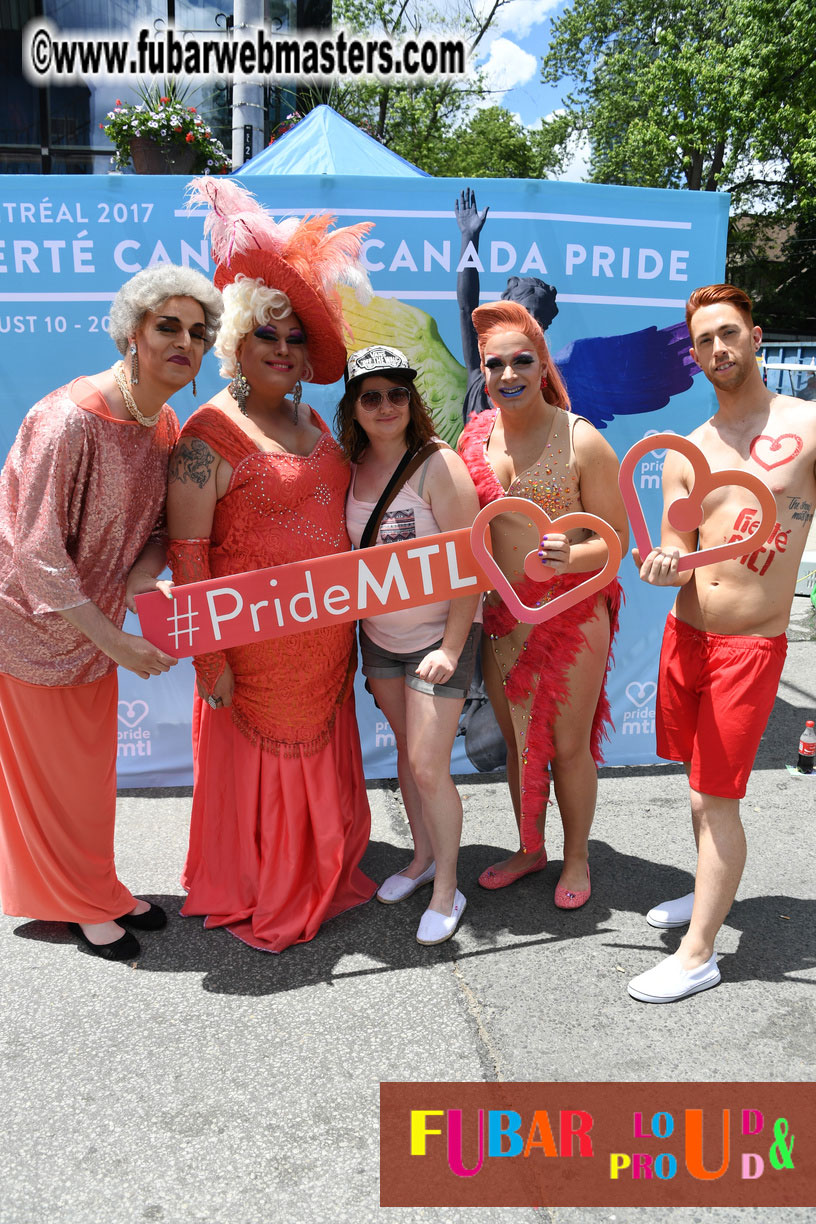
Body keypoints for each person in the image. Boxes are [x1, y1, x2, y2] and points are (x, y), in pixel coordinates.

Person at [166, 178, 376, 953]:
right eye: (268, 338)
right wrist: (209, 657)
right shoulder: (206, 433)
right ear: (237, 344)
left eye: (294, 340)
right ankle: (264, 884)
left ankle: (325, 866)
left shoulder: (313, 417)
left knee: (325, 742)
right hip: (250, 651)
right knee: (265, 758)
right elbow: (188, 557)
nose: (284, 351)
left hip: (324, 638)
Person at [0, 264, 223, 961]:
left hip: (94, 629)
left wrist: (141, 580)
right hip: (35, 629)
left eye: (198, 331)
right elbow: (33, 555)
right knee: (56, 781)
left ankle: (96, 886)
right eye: (168, 326)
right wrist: (120, 642)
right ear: (131, 333)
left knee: (89, 780)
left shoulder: (162, 423)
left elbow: (158, 529)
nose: (185, 341)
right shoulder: (69, 418)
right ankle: (80, 904)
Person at [629, 283, 816, 1004]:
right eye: (704, 340)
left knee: (719, 795)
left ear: (757, 336)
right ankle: (711, 890)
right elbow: (677, 545)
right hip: (689, 636)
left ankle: (699, 952)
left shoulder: (805, 425)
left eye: (728, 333)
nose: (718, 349)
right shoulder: (689, 450)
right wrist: (661, 563)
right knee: (699, 790)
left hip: (750, 648)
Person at [458, 300, 628, 908]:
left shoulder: (583, 439)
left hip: (573, 615)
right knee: (518, 741)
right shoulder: (473, 438)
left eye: (522, 361)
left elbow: (616, 543)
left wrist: (568, 559)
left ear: (542, 364)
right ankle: (531, 847)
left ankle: (576, 857)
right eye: (495, 364)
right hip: (502, 618)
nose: (509, 375)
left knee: (568, 744)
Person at [337, 345, 481, 945]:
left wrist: (450, 647)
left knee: (428, 764)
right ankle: (421, 860)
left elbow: (472, 565)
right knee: (406, 755)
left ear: (412, 399)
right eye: (372, 395)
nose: (386, 405)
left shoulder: (437, 464)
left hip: (437, 640)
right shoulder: (351, 464)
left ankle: (449, 887)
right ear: (354, 406)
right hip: (381, 640)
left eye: (398, 392)